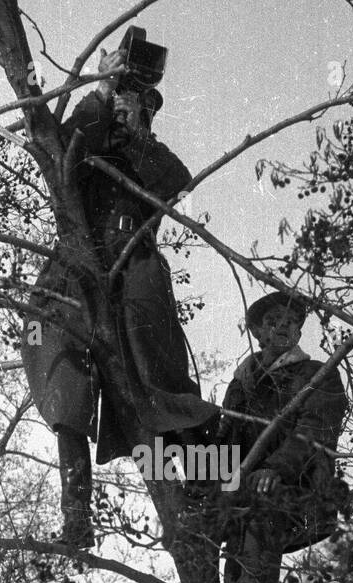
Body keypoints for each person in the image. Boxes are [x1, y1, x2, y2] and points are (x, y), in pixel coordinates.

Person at [22, 36, 217, 547]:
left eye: (144, 103)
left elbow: (175, 181)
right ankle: (75, 515)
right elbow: (55, 147)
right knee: (67, 391)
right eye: (126, 98)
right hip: (72, 274)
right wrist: (100, 91)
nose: (134, 107)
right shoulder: (82, 151)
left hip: (133, 270)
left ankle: (199, 494)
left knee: (158, 384)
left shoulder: (150, 159)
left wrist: (133, 134)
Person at [216, 292, 349, 583]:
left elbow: (315, 432)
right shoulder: (242, 381)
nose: (283, 328)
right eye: (272, 321)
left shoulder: (317, 374)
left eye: (291, 321)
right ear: (257, 331)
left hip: (298, 495)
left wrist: (274, 469)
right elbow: (226, 440)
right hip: (247, 504)